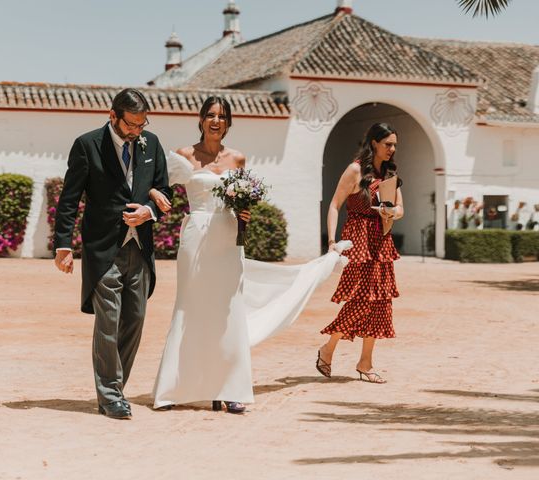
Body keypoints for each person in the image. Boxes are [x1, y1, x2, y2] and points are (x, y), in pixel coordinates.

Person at [149, 96, 349, 414]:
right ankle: (174, 388)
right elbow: (153, 184)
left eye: (222, 116)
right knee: (190, 307)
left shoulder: (237, 159)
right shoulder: (183, 155)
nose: (216, 120)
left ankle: (230, 389)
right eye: (210, 115)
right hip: (195, 236)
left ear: (229, 123)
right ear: (200, 120)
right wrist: (154, 198)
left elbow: (242, 202)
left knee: (228, 311)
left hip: (228, 239)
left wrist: (245, 214)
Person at [53, 88, 171, 420]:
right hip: (103, 248)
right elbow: (69, 198)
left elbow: (162, 189)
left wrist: (149, 211)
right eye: (131, 125)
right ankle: (110, 395)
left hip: (141, 247)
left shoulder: (153, 143)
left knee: (134, 319)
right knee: (109, 321)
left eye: (141, 124)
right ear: (112, 116)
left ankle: (115, 388)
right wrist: (64, 245)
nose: (137, 131)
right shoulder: (87, 144)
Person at [316, 123, 404, 384]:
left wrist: (391, 212)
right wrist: (332, 240)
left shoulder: (390, 174)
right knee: (360, 300)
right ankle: (328, 348)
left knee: (380, 303)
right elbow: (334, 204)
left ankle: (365, 362)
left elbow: (401, 209)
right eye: (388, 144)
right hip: (358, 239)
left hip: (381, 240)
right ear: (374, 143)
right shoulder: (355, 170)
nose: (392, 149)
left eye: (394, 145)